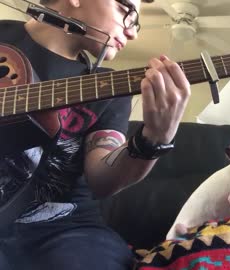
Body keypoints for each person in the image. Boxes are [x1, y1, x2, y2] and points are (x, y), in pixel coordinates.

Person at [0, 0, 190, 269]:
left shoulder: (107, 88)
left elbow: (102, 180)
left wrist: (154, 140)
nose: (134, 33)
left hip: (65, 231)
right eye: (126, 10)